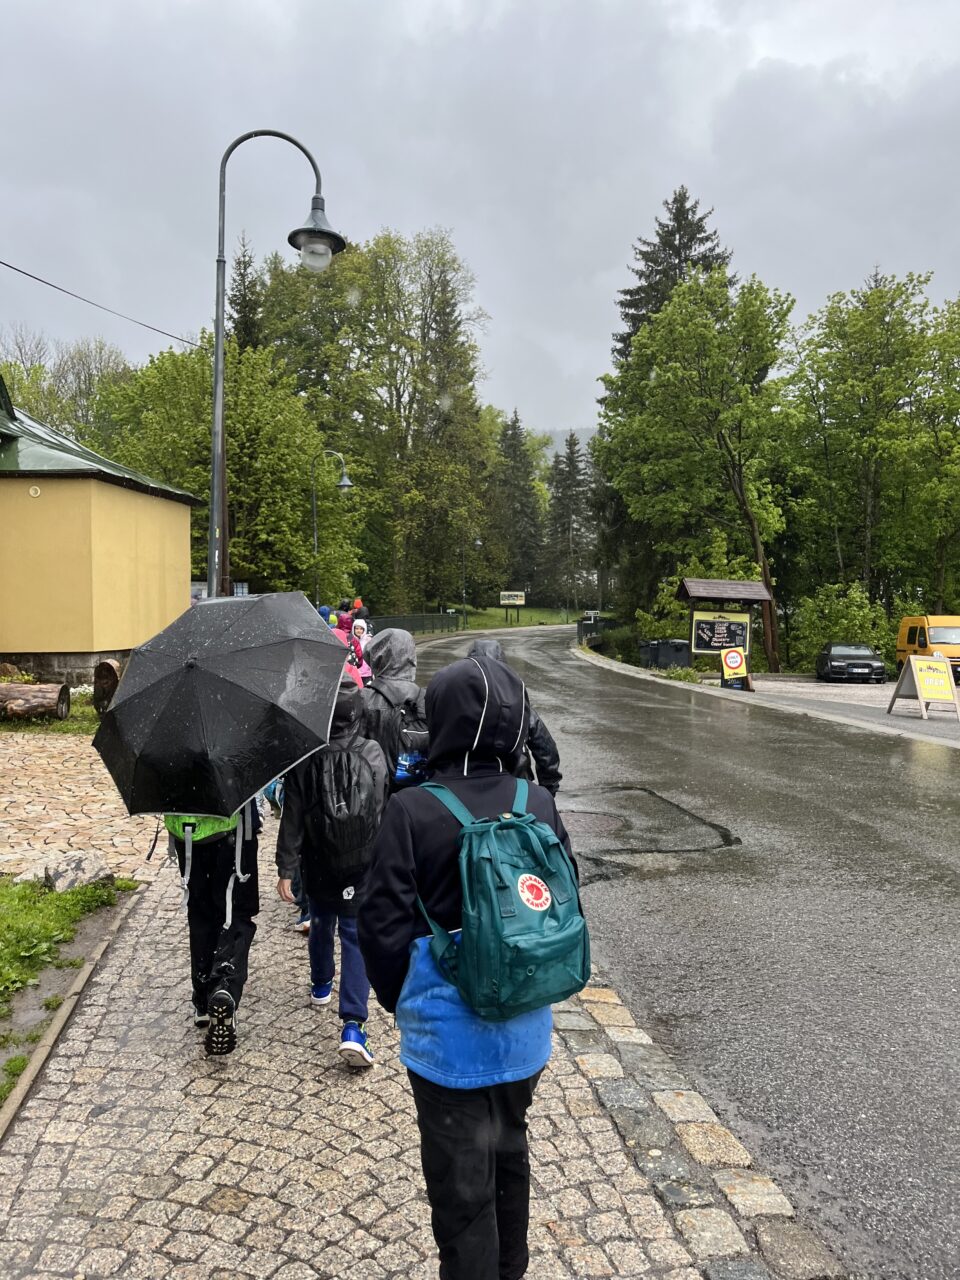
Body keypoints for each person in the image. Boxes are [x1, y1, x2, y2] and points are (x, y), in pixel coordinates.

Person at [358, 655, 574, 1280]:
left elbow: (381, 927)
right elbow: (566, 901)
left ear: (444, 721)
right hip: (525, 1033)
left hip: (448, 1043)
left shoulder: (412, 810)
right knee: (509, 1152)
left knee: (460, 1189)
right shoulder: (536, 801)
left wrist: (403, 1000)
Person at [276, 676, 388, 1067]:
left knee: (322, 922)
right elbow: (380, 807)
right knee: (355, 936)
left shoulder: (305, 757)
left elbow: (292, 818)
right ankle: (354, 1024)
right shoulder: (373, 752)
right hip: (361, 864)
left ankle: (321, 984)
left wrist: (286, 867)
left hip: (318, 862)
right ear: (358, 714)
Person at [165, 802, 261, 1056]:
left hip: (187, 832)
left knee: (200, 914)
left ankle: (202, 997)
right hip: (231, 833)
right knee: (236, 913)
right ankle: (224, 986)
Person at [467, 638, 562, 795]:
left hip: (467, 791)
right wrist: (548, 790)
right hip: (517, 788)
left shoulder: (456, 704)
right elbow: (546, 750)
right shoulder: (519, 706)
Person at [360, 628, 429, 790]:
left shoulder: (363, 698)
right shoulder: (425, 697)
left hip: (375, 786)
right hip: (414, 787)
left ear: (377, 658)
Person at [352, 618, 373, 684]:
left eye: (361, 629)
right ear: (353, 629)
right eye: (357, 628)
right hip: (355, 672)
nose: (359, 631)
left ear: (364, 629)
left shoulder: (368, 640)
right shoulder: (351, 640)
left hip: (367, 672)